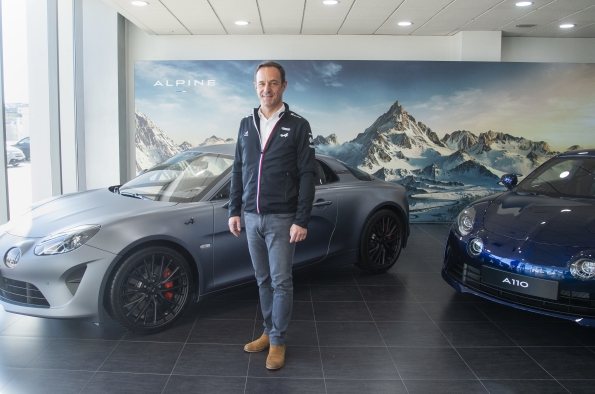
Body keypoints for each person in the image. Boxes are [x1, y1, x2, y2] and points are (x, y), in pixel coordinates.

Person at [228, 61, 316, 370]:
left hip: (282, 218)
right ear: (255, 87)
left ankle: (278, 341)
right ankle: (268, 332)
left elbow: (307, 175)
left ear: (283, 86)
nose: (268, 88)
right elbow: (239, 169)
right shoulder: (245, 124)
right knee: (262, 279)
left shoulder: (298, 124)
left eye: (273, 83)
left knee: (281, 282)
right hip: (251, 217)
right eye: (262, 83)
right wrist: (234, 210)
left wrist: (301, 219)